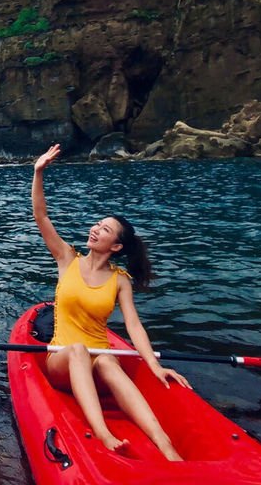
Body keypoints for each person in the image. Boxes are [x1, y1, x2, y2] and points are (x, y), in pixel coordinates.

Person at [32, 143, 189, 461]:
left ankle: (165, 444)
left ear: (115, 246)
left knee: (106, 360)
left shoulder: (120, 280)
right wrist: (38, 172)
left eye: (104, 229)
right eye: (97, 224)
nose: (95, 229)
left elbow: (133, 324)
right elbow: (41, 215)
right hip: (63, 361)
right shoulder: (67, 258)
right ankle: (103, 433)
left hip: (98, 359)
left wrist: (154, 365)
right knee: (77, 350)